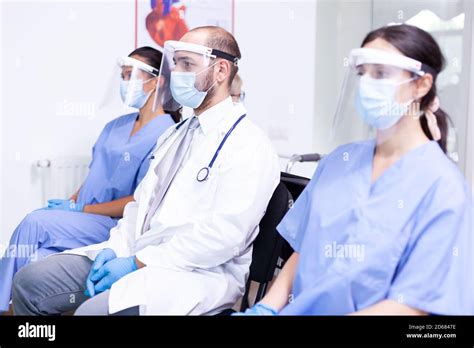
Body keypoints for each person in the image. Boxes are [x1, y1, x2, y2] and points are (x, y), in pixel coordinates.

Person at [12, 26, 280, 316]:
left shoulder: (249, 145)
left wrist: (137, 263)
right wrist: (116, 250)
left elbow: (224, 237)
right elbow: (139, 208)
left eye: (187, 64)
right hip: (134, 254)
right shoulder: (174, 136)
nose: (177, 73)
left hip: (195, 275)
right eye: (176, 63)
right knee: (30, 282)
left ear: (221, 70)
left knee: (91, 312)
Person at [236, 24, 473, 316]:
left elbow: (414, 304)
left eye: (381, 74)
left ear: (421, 85)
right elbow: (304, 252)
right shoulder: (339, 163)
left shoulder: (444, 188)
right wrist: (267, 308)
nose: (367, 84)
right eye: (363, 74)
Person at [0, 46, 177, 313]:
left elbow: (140, 201)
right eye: (123, 76)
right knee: (36, 259)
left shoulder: (167, 134)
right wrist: (71, 203)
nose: (125, 83)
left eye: (131, 75)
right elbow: (94, 175)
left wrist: (81, 210)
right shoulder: (115, 126)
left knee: (35, 221)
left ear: (157, 81)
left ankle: (3, 308)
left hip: (112, 224)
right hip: (82, 218)